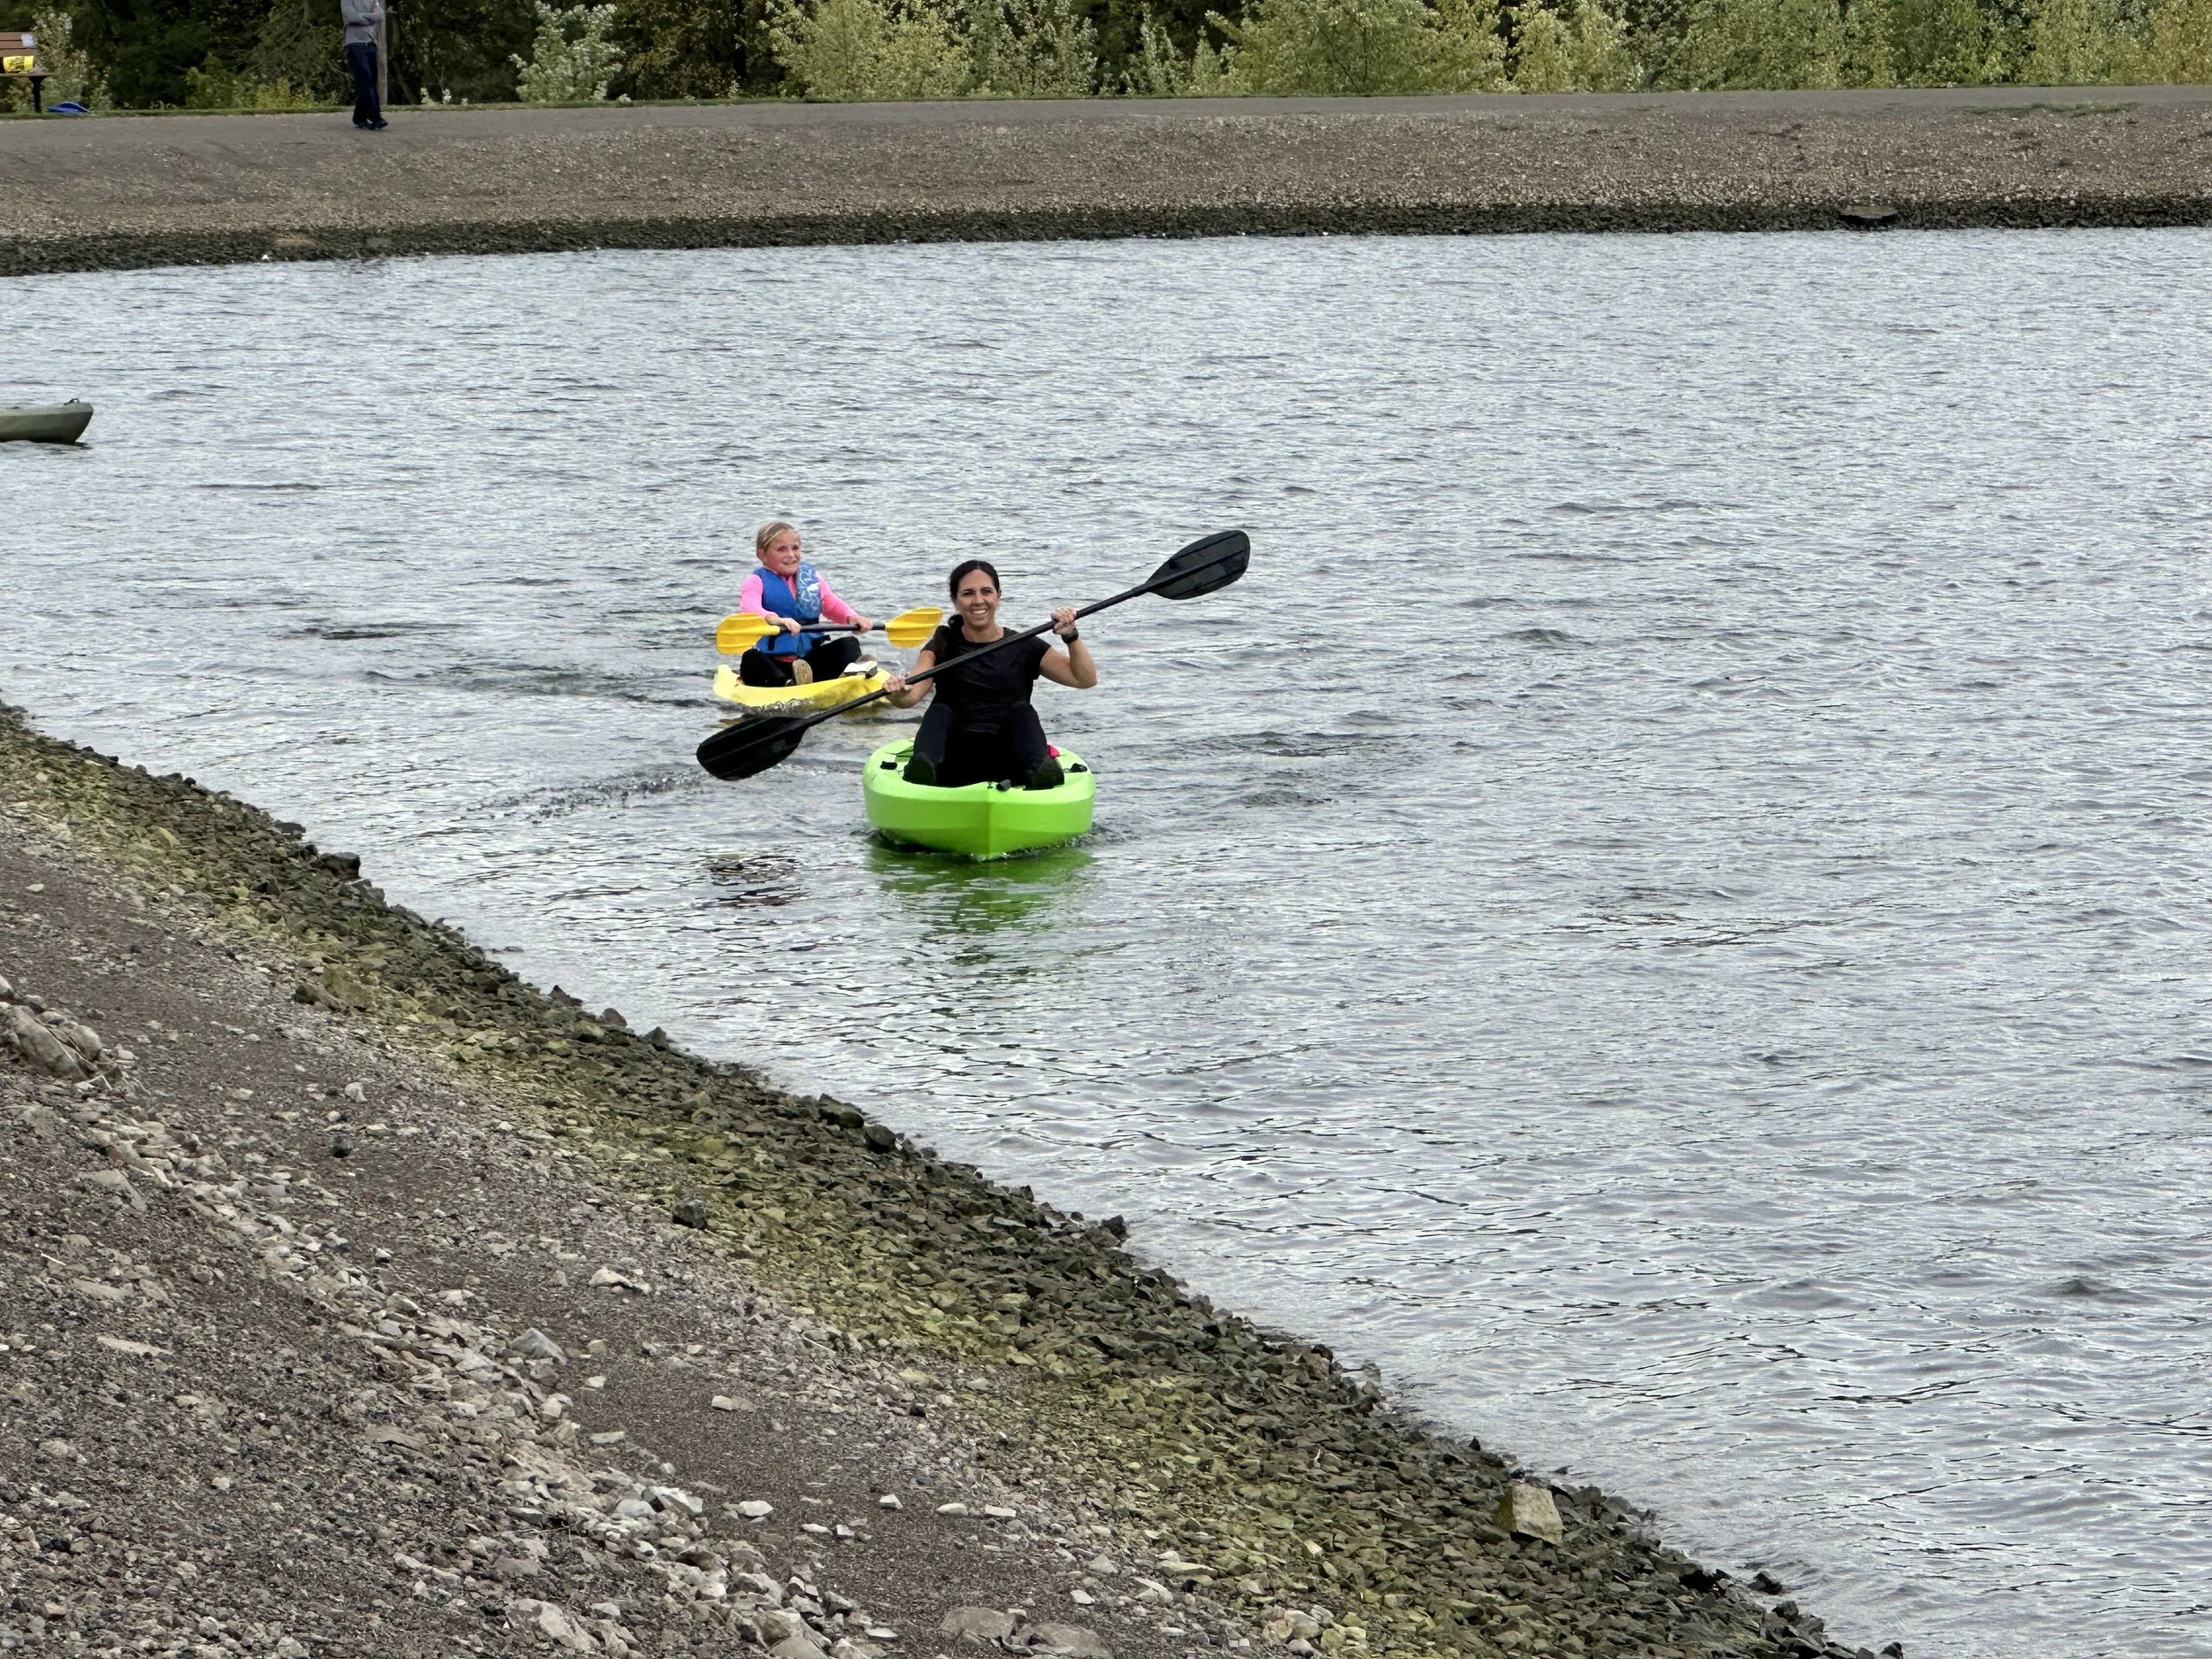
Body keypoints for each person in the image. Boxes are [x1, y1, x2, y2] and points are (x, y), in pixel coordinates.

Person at [884, 558, 1094, 790]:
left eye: (986, 592)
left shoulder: (1024, 645)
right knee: (940, 711)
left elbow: (1084, 679)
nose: (978, 601)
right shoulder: (942, 644)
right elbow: (910, 697)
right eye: (968, 593)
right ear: (955, 601)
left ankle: (1040, 771)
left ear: (998, 596)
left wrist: (1071, 636)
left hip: (1011, 760)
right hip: (953, 761)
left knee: (1021, 711)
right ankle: (922, 771)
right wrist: (897, 692)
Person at [737, 520, 879, 688]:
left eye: (795, 548)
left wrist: (852, 617)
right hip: (775, 664)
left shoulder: (812, 579)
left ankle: (850, 675)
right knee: (750, 657)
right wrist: (776, 620)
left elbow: (831, 603)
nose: (791, 555)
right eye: (781, 549)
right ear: (762, 555)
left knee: (849, 643)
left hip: (811, 660)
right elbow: (749, 607)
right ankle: (788, 684)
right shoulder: (755, 581)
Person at [340, 0, 387, 130]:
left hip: (371, 44)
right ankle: (375, 117)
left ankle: (359, 117)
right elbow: (351, 17)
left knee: (370, 81)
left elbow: (381, 16)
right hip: (354, 44)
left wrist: (362, 17)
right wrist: (371, 17)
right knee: (365, 79)